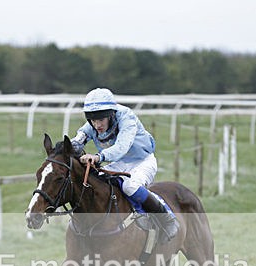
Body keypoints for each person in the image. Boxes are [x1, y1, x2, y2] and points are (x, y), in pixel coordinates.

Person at [70, 87, 178, 242]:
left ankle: (167, 218)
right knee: (96, 180)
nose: (97, 125)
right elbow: (78, 139)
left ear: (110, 115)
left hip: (142, 161)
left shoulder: (127, 117)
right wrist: (70, 147)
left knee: (130, 187)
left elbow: (122, 147)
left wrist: (98, 156)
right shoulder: (93, 123)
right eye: (93, 120)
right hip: (119, 163)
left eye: (101, 120)